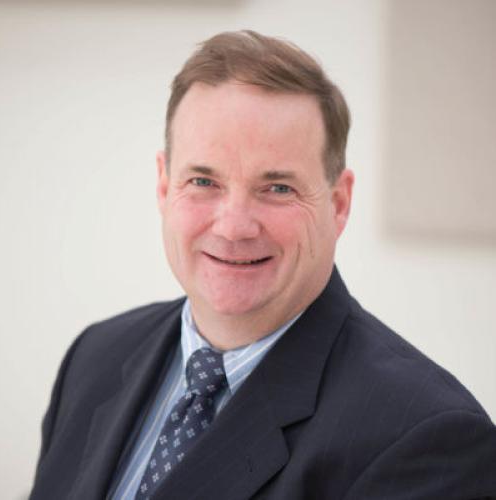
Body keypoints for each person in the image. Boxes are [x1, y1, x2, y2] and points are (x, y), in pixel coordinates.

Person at [30, 30, 496, 500]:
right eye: (203, 181)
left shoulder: (427, 438)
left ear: (338, 204)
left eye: (277, 188)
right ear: (164, 186)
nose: (234, 227)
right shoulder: (94, 358)